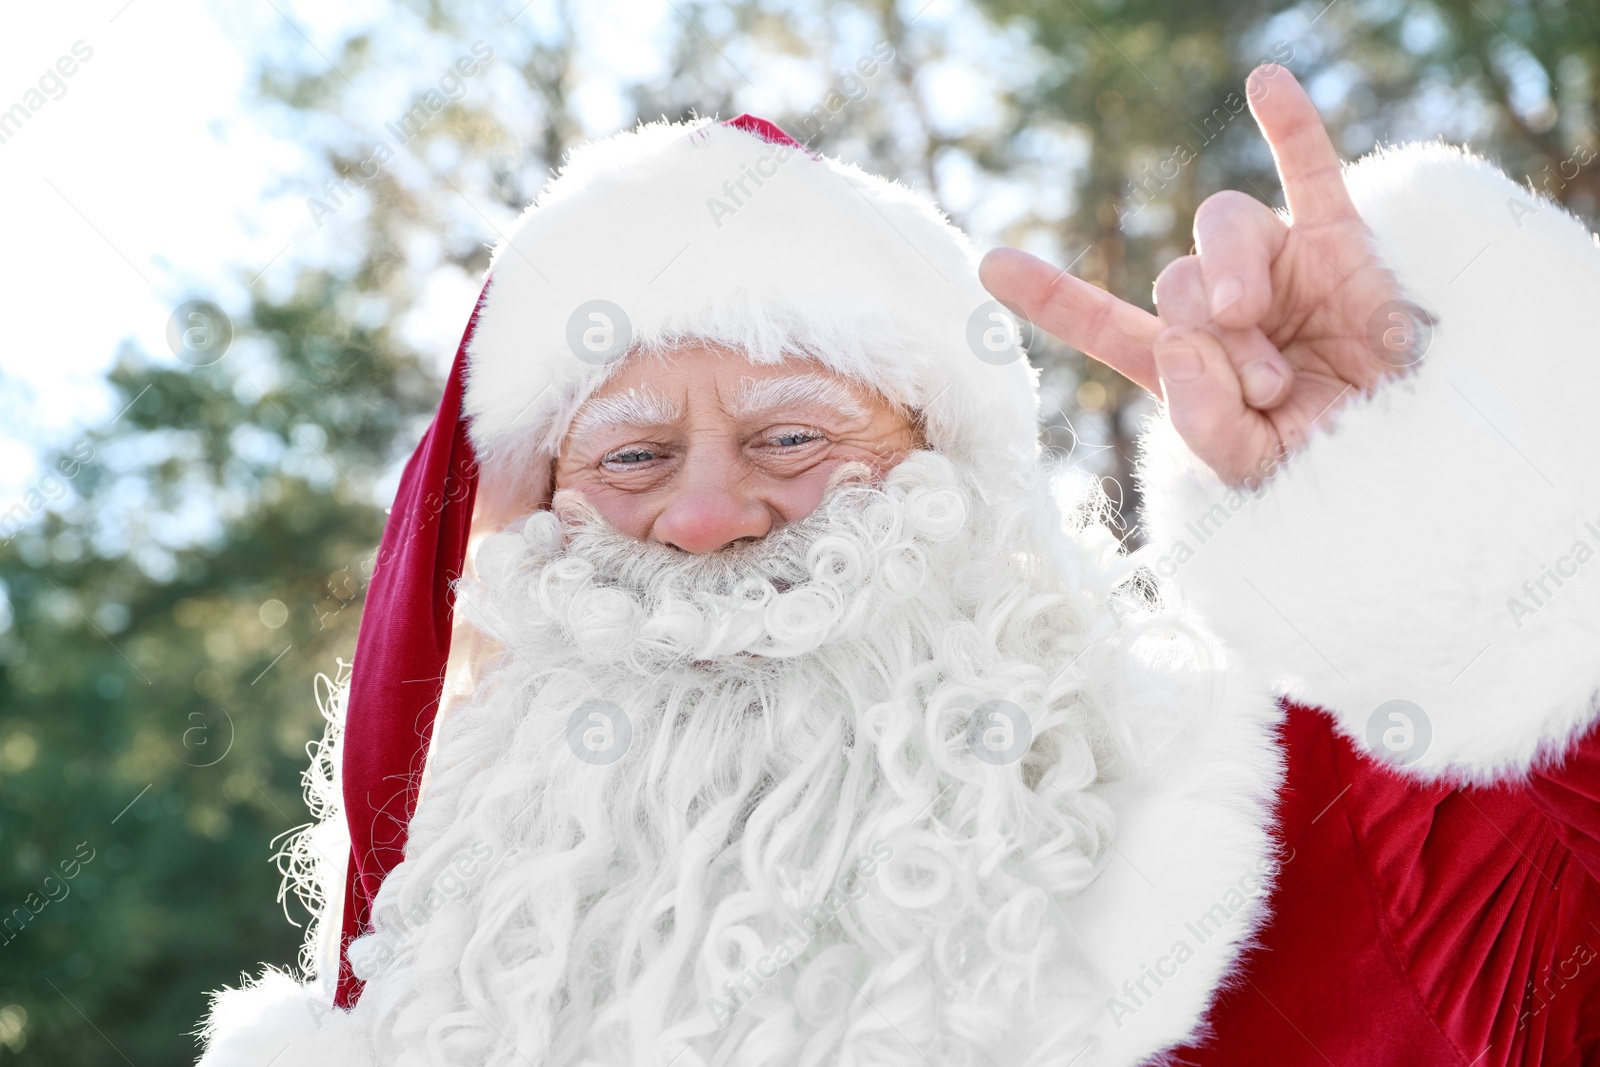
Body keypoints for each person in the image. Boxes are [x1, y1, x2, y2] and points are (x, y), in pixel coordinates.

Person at [193, 68, 1599, 1066]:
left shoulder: (1322, 830)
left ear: (961, 481)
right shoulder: (439, 1011)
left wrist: (1451, 464)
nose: (709, 518)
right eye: (628, 461)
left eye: (791, 438)